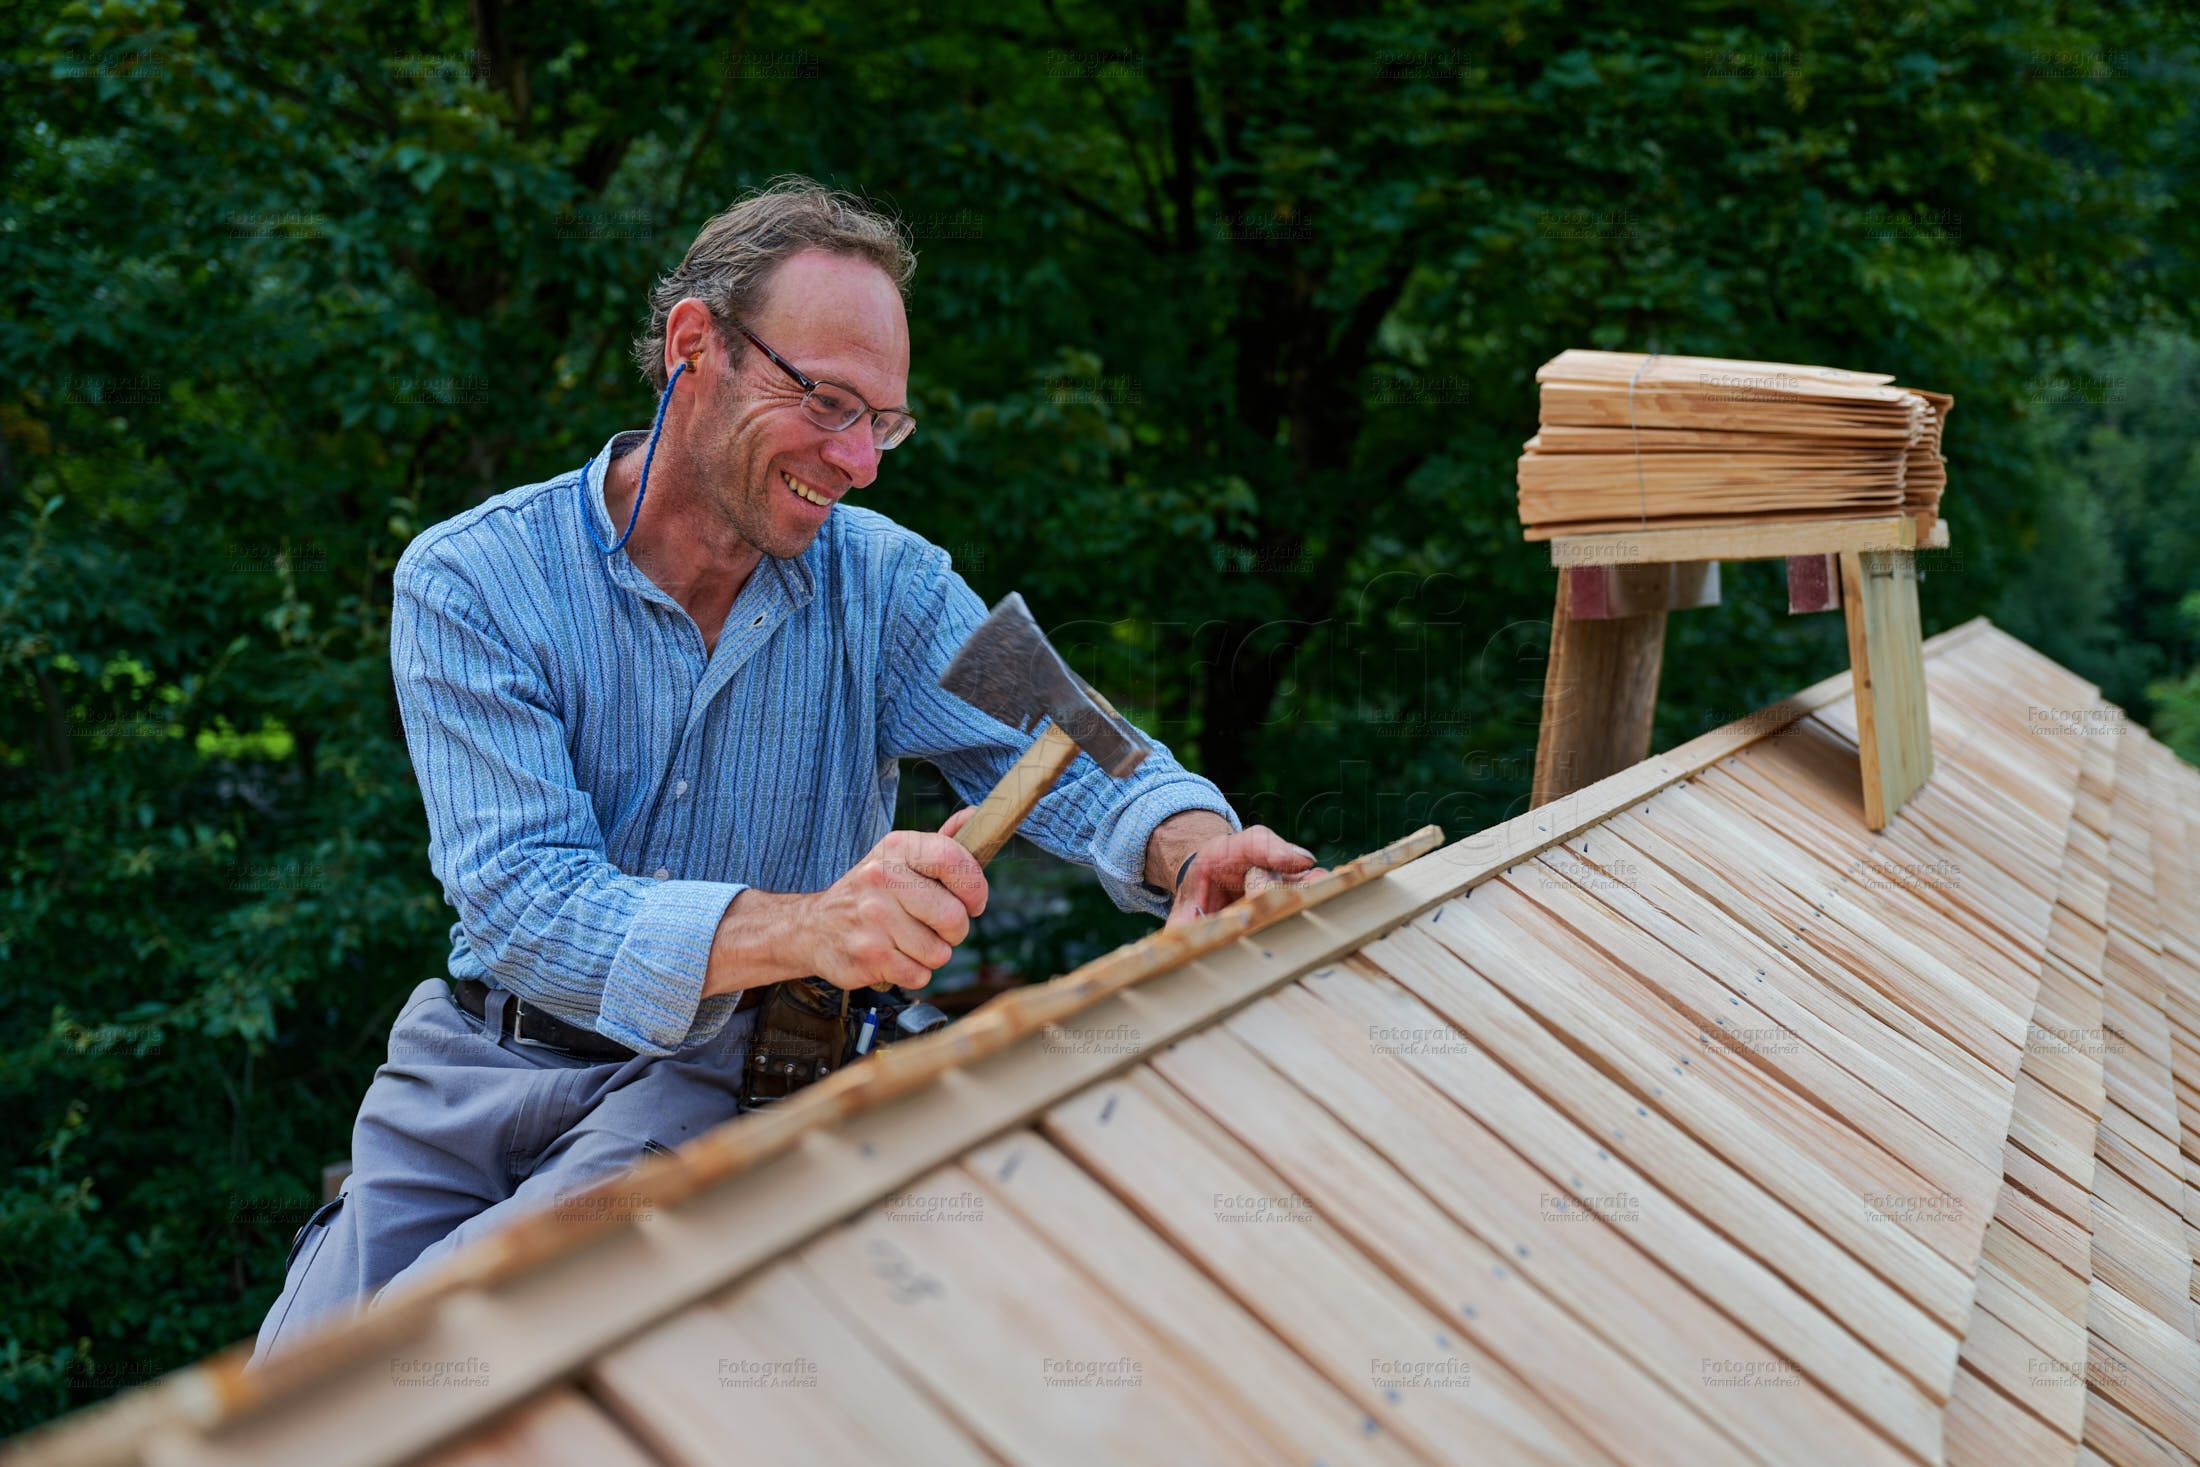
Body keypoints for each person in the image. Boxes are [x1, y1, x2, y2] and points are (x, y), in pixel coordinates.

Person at [251, 177, 1320, 1366]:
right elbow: (525, 904)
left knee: (405, 1380)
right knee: (279, 1390)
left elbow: (1082, 743)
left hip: (732, 1069)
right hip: (474, 1066)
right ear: (693, 346)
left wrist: (1194, 841)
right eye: (825, 402)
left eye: (884, 423)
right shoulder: (472, 581)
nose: (859, 460)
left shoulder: (893, 585)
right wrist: (817, 924)